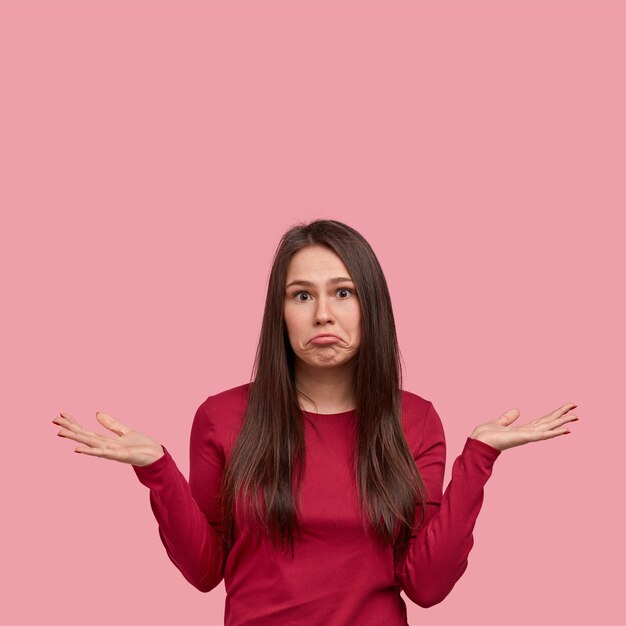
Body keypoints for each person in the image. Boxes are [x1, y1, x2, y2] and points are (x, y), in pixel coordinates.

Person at [52, 219, 579, 626]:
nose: (323, 314)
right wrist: (157, 471)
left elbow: (428, 586)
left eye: (342, 293)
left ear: (371, 306)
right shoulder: (221, 417)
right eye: (302, 295)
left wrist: (479, 460)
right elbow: (205, 571)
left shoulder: (414, 420)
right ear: (280, 314)